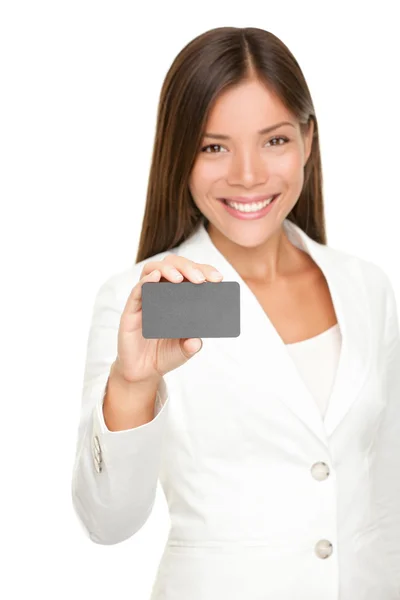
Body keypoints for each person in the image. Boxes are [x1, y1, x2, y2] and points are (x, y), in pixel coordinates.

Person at [70, 26, 400, 600]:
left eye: (274, 141)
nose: (247, 175)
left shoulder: (365, 287)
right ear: (182, 155)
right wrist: (132, 384)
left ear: (307, 140)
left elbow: (387, 498)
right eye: (213, 146)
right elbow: (108, 523)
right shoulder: (144, 298)